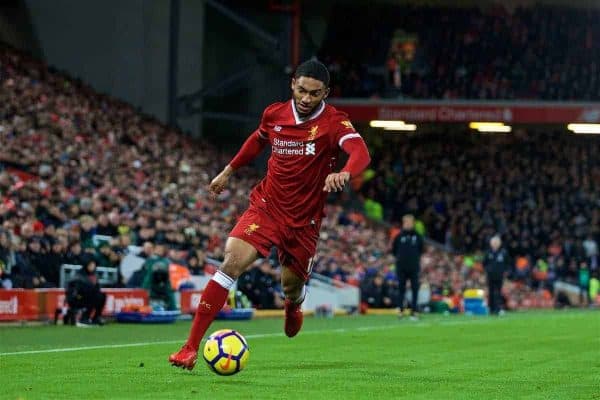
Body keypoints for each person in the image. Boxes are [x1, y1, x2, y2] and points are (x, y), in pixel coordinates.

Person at [169, 59, 371, 369]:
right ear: (292, 85)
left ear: (325, 93)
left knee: (291, 285)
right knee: (231, 262)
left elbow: (360, 151)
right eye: (301, 91)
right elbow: (257, 140)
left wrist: (344, 172)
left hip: (304, 221)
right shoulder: (274, 113)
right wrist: (228, 170)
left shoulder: (333, 123)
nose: (305, 99)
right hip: (267, 207)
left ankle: (294, 303)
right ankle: (190, 347)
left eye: (314, 94)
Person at [392, 214, 424, 319]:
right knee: (401, 288)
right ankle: (400, 310)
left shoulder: (418, 236)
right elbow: (394, 251)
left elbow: (421, 250)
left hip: (414, 267)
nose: (408, 224)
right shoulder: (399, 236)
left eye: (410, 222)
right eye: (406, 222)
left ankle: (414, 310)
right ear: (403, 223)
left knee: (415, 289)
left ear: (413, 223)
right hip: (401, 267)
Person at [66, 260, 107, 326]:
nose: (93, 267)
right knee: (91, 295)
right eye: (91, 265)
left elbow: (97, 289)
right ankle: (84, 318)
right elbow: (76, 290)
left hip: (88, 297)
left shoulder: (94, 276)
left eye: (94, 265)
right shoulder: (79, 275)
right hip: (78, 298)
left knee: (101, 296)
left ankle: (96, 318)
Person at [483, 235, 510, 315]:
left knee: (498, 292)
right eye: (493, 242)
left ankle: (498, 309)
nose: (495, 244)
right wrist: (488, 270)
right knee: (491, 292)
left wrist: (505, 272)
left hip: (500, 276)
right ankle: (491, 309)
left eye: (496, 242)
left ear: (499, 243)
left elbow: (507, 263)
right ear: (491, 243)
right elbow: (484, 263)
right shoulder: (488, 253)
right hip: (490, 276)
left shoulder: (503, 253)